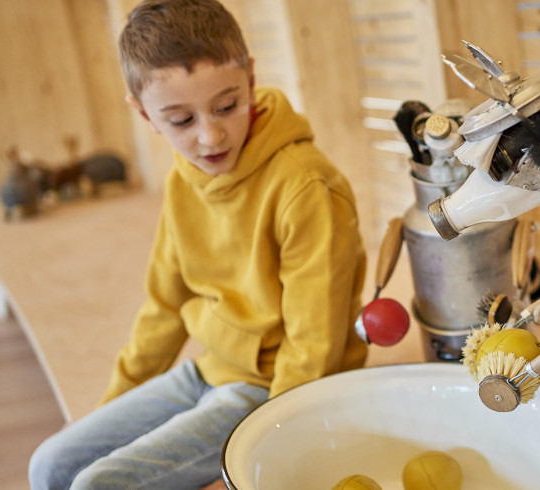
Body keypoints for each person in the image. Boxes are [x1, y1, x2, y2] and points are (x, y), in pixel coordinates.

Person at [28, 0, 368, 488]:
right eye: (181, 121)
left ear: (250, 79)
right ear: (144, 114)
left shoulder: (305, 186)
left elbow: (313, 345)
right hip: (207, 370)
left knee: (95, 484)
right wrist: (111, 405)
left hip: (270, 388)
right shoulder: (184, 178)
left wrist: (275, 440)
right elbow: (165, 306)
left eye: (227, 107)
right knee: (50, 464)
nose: (211, 136)